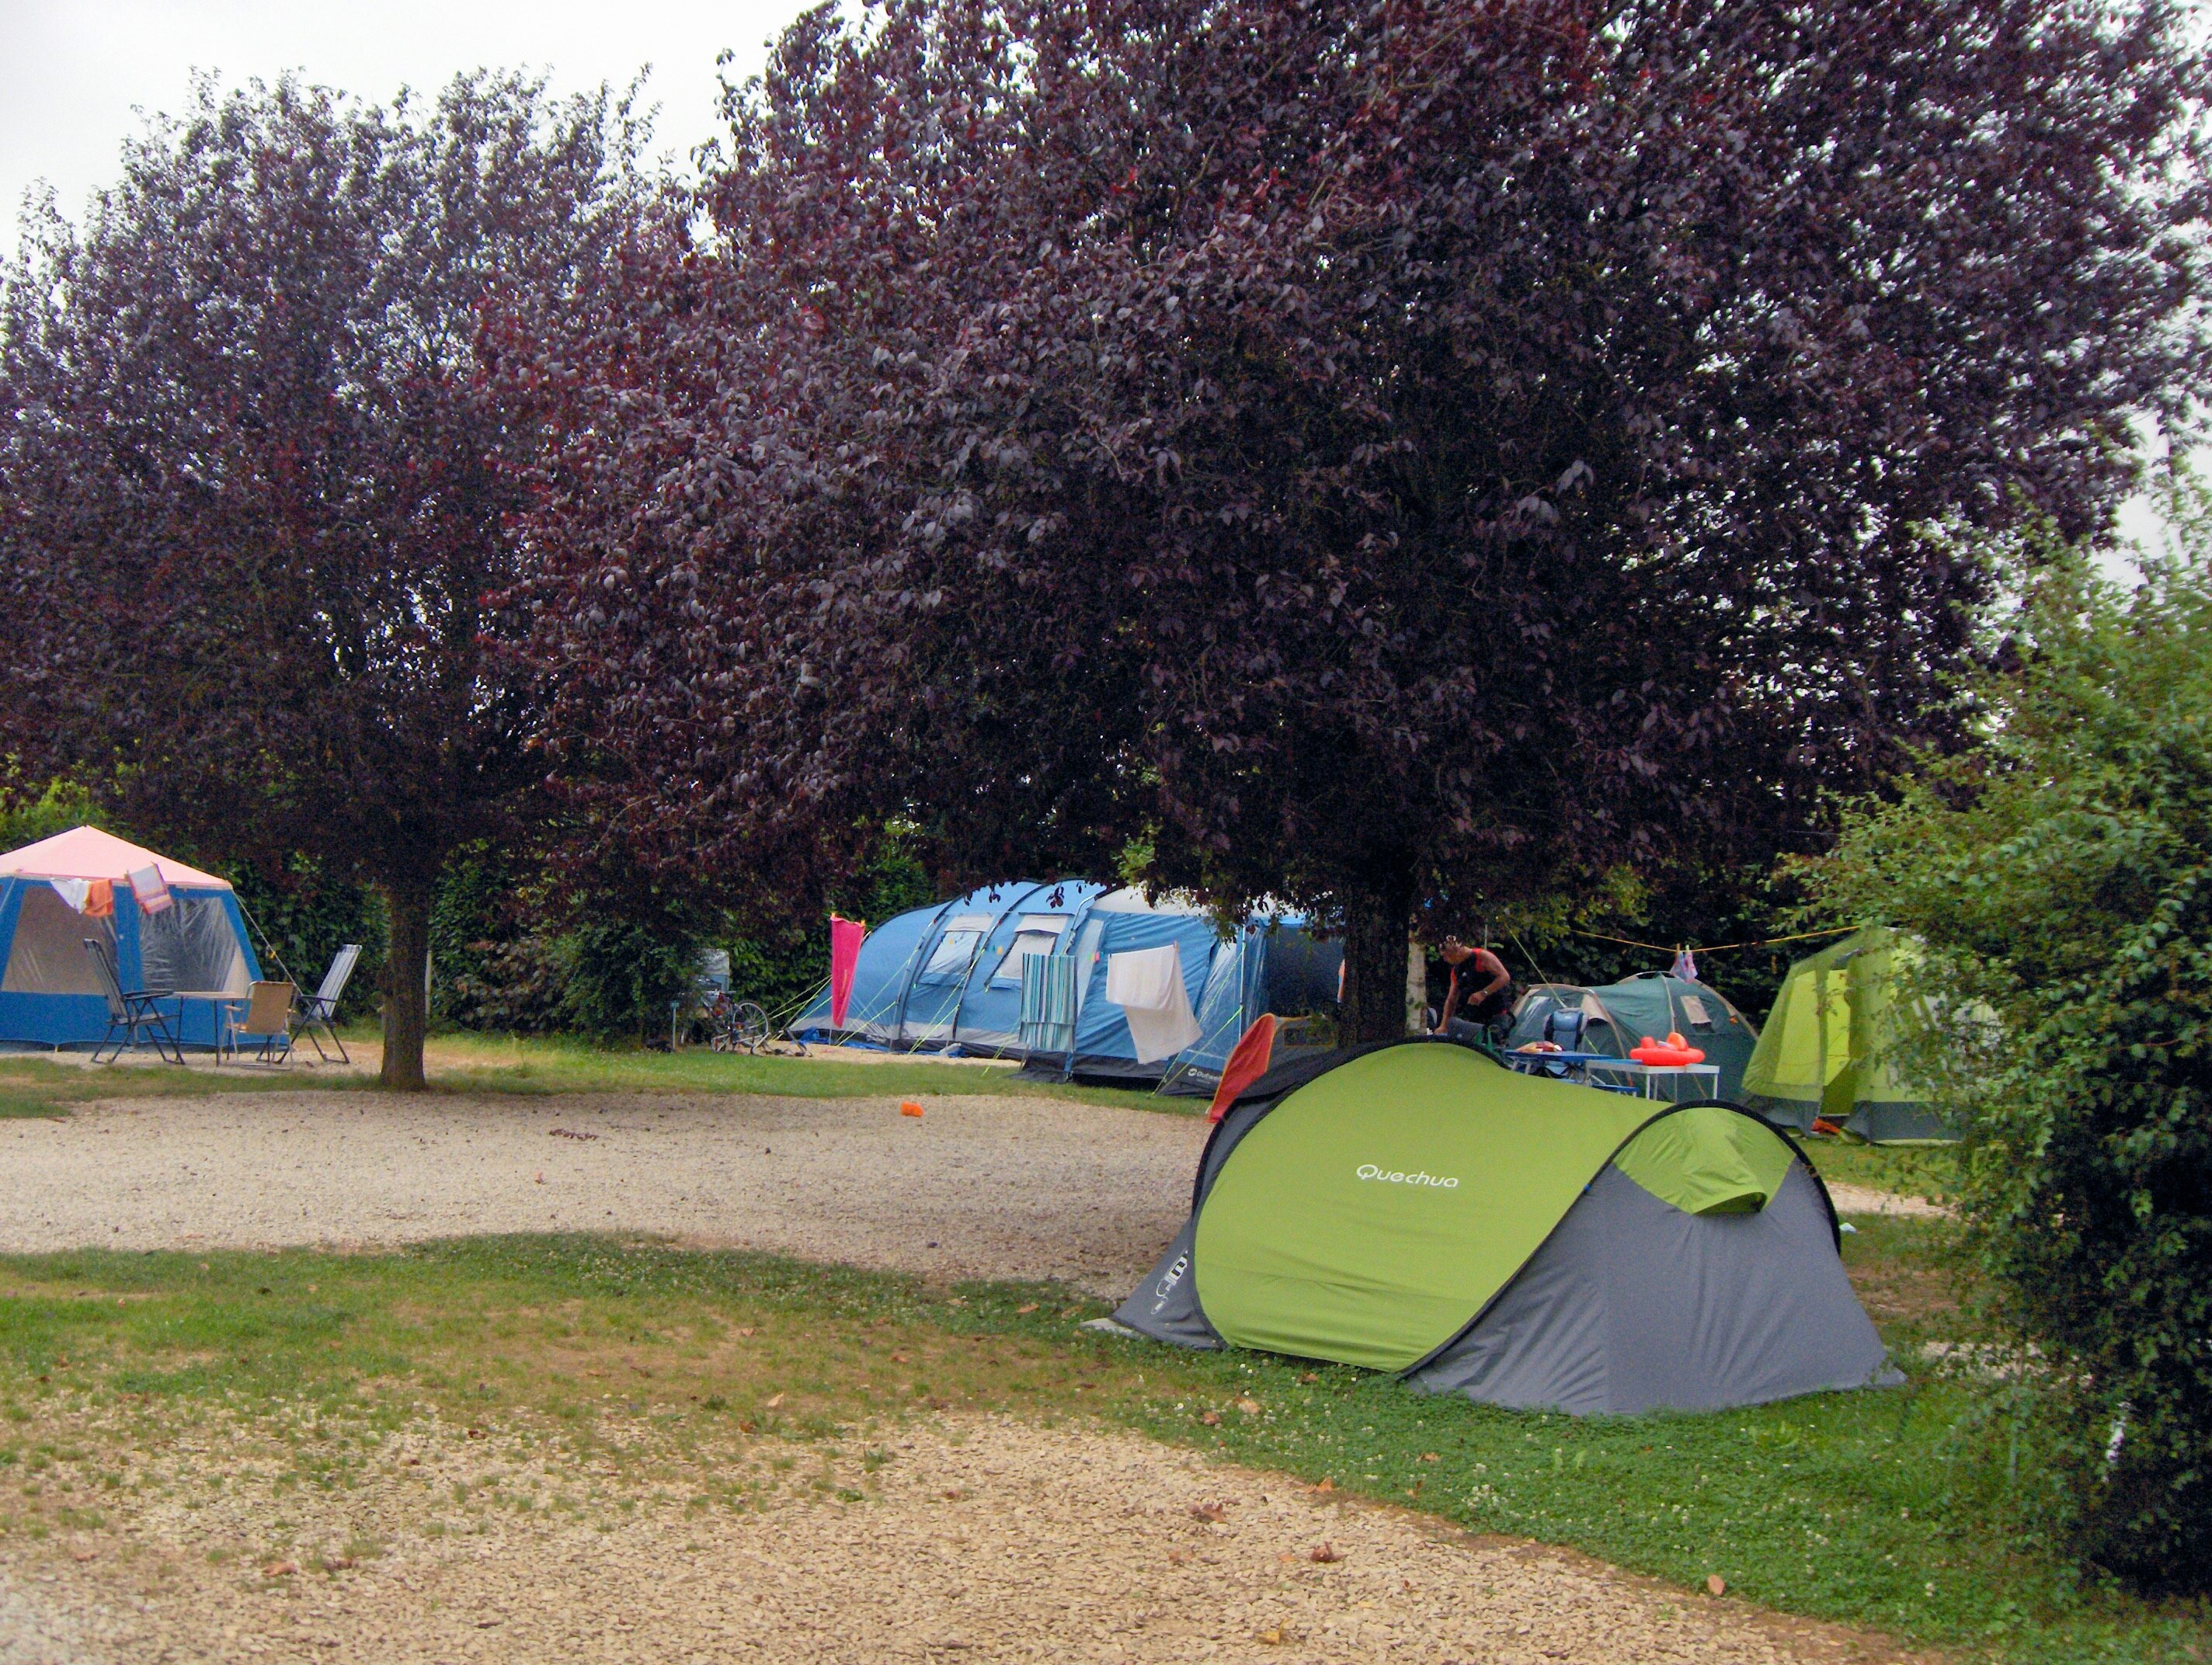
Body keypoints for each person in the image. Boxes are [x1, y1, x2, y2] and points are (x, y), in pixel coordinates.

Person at [1436, 937, 1514, 1041]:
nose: (1445, 960)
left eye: (1446, 955)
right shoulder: (1457, 970)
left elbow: (1504, 977)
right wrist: (1444, 1025)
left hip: (1496, 1013)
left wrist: (1484, 993)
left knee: (1494, 1042)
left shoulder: (1482, 956)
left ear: (1456, 951)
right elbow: (1451, 1000)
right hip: (1475, 1017)